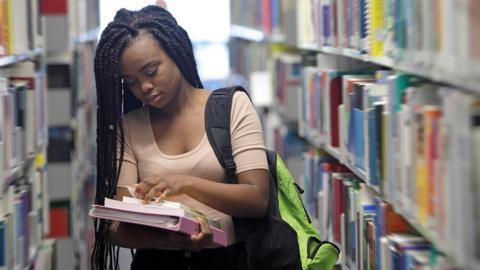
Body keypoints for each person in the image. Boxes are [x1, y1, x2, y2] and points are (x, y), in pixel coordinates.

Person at [92, 5, 269, 270]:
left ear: (176, 52)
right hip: (157, 263)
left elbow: (257, 199)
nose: (144, 87)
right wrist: (172, 239)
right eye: (130, 81)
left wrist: (184, 184)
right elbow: (116, 227)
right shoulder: (128, 128)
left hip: (230, 260)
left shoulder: (232, 106)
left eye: (151, 71)